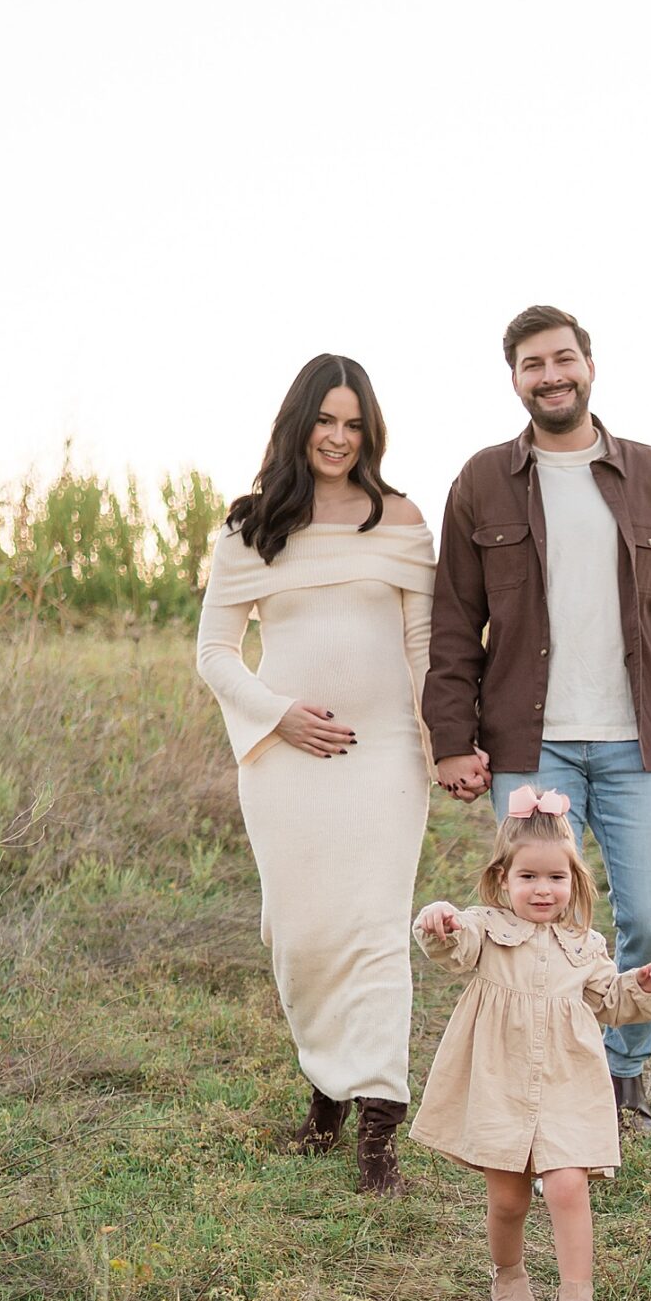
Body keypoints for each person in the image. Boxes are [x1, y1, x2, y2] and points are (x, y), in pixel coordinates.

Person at [422, 304, 651, 1133]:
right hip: (531, 746)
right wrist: (452, 739)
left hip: (640, 743)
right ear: (516, 379)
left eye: (563, 358)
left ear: (589, 366)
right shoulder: (483, 480)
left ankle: (625, 1070)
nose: (551, 374)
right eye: (533, 364)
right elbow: (454, 622)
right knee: (536, 924)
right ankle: (548, 1079)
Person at [196, 354, 435, 1195]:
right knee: (299, 934)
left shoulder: (400, 520)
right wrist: (278, 714)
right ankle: (326, 1091)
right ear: (299, 424)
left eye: (354, 424)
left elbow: (422, 648)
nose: (338, 437)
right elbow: (214, 652)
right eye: (325, 420)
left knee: (374, 932)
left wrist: (438, 745)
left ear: (369, 433)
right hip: (286, 763)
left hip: (385, 761)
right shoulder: (250, 528)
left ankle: (377, 1133)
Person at [409, 789, 651, 1301]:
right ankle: (508, 1273)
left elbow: (612, 1001)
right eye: (528, 877)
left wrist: (641, 986)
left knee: (567, 1187)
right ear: (503, 879)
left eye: (556, 878)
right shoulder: (485, 929)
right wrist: (438, 922)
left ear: (573, 883)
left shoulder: (586, 945)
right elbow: (452, 948)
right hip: (501, 1082)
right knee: (509, 1198)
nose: (542, 889)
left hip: (567, 1080)